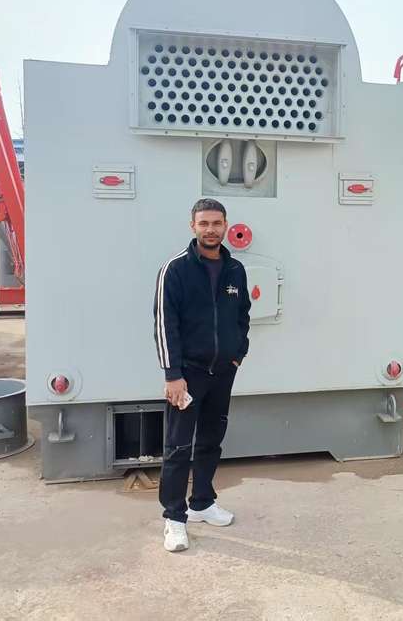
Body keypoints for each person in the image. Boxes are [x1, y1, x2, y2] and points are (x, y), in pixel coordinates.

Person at [153, 198, 251, 552]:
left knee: (211, 441)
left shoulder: (235, 269)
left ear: (225, 225)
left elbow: (242, 316)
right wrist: (172, 375)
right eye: (204, 223)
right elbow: (165, 325)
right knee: (178, 447)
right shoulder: (175, 269)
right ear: (192, 226)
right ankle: (174, 518)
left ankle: (202, 503)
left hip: (222, 373)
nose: (210, 230)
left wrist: (237, 355)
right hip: (187, 375)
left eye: (216, 223)